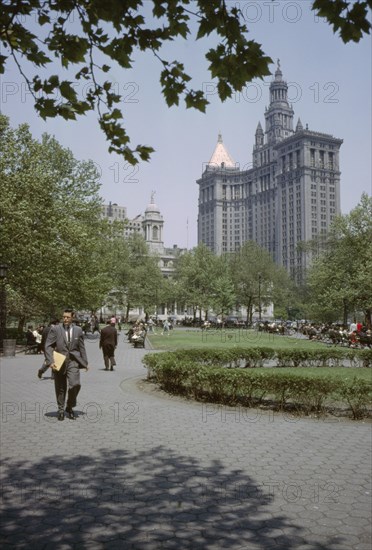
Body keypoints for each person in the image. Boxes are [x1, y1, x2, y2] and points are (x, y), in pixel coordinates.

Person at [44, 308, 88, 421]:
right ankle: (61, 409)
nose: (65, 319)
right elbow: (48, 345)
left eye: (68, 317)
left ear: (73, 317)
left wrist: (85, 362)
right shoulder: (56, 329)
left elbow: (82, 347)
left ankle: (69, 406)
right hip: (59, 361)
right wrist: (50, 361)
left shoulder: (78, 330)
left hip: (73, 361)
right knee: (60, 387)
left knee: (75, 384)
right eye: (64, 317)